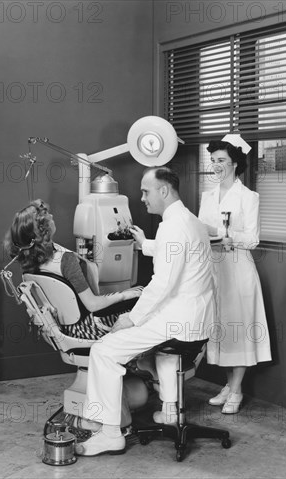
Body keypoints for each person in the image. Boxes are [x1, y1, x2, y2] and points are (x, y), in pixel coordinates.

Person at [75, 167, 216, 457]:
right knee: (143, 348)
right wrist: (144, 245)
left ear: (163, 190)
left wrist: (131, 318)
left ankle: (110, 433)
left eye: (145, 191)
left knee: (103, 351)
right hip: (198, 321)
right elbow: (175, 254)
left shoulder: (173, 226)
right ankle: (169, 412)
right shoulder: (191, 221)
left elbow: (163, 282)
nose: (142, 198)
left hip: (178, 321)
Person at [198, 134, 272, 414]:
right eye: (213, 160)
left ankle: (237, 390)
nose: (216, 166)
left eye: (221, 161)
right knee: (222, 330)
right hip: (214, 269)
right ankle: (229, 385)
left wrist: (221, 233)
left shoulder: (248, 197)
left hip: (239, 269)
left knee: (238, 329)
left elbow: (252, 239)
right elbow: (199, 230)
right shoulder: (207, 196)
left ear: (235, 163)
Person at [4, 199, 142, 340]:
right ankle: (143, 360)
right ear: (43, 231)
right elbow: (93, 305)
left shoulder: (29, 261)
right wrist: (124, 295)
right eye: (47, 218)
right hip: (90, 328)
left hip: (65, 329)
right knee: (144, 297)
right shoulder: (66, 260)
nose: (51, 217)